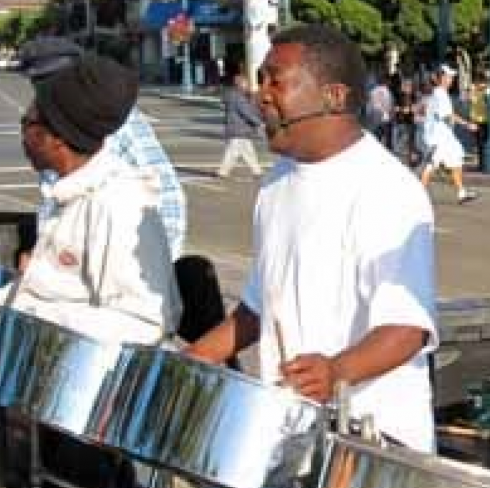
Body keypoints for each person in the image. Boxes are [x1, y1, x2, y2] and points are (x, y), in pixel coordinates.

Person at [185, 25, 439, 452]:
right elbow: (261, 305)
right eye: (260, 80)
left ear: (334, 97)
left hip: (371, 438)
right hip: (290, 430)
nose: (260, 95)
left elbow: (407, 328)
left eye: (276, 81)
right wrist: (195, 358)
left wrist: (335, 370)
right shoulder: (275, 182)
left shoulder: (385, 190)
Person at [10, 54, 181, 488]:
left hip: (96, 420)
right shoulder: (70, 194)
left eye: (28, 121)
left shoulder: (117, 203)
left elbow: (145, 321)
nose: (22, 130)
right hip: (58, 402)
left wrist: (33, 321)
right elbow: (57, 292)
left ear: (55, 138)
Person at [18, 37, 188, 260]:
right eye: (38, 83)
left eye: (53, 82)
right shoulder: (55, 124)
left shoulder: (110, 120)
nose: (44, 93)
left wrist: (154, 263)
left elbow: (168, 202)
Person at [419, 64, 480, 204]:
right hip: (437, 137)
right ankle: (419, 195)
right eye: (449, 76)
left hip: (444, 136)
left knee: (456, 158)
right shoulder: (440, 94)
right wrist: (467, 124)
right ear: (442, 78)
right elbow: (448, 116)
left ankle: (461, 193)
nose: (451, 79)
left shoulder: (440, 93)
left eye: (452, 76)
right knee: (431, 165)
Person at [217, 74, 265, 178]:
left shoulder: (234, 95)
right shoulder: (238, 97)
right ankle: (222, 172)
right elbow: (246, 112)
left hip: (238, 128)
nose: (247, 85)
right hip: (239, 129)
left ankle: (257, 171)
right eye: (246, 83)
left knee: (245, 151)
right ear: (240, 84)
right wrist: (259, 123)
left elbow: (247, 110)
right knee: (235, 152)